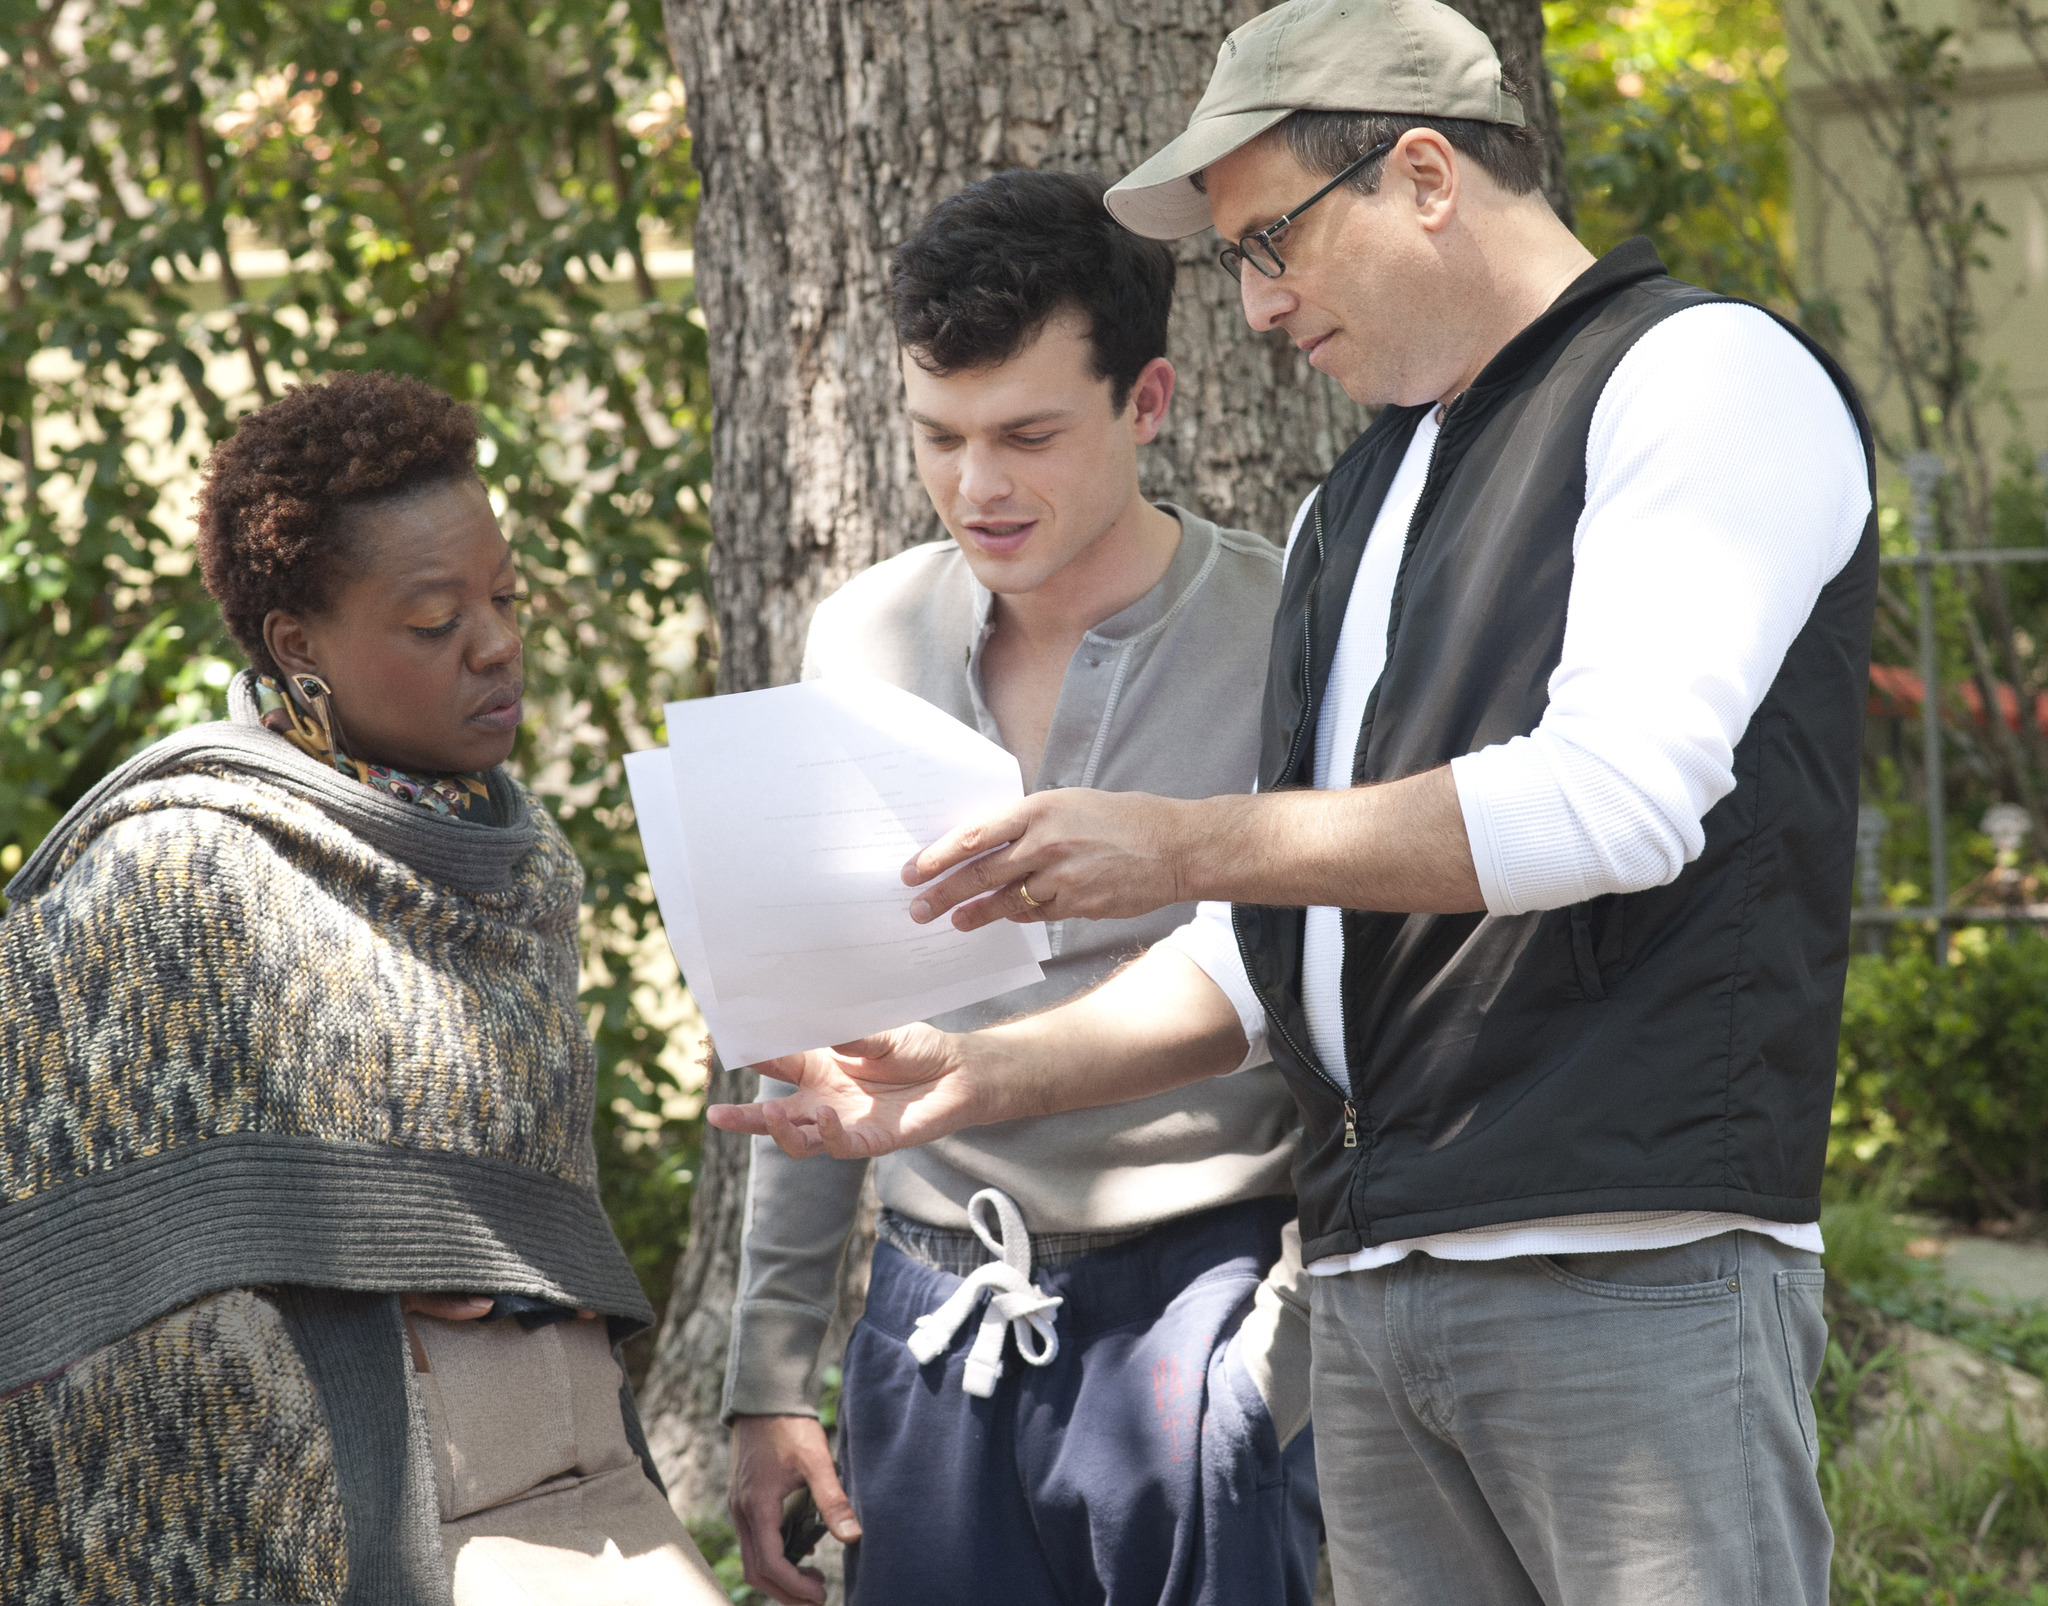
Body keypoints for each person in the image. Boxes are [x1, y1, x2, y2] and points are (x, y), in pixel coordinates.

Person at [711, 1, 1880, 1601]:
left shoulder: (1699, 372)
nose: (1260, 306)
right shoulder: (1361, 496)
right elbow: (1274, 955)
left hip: (1628, 1268)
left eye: (1271, 242)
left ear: (1422, 175)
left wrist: (1181, 838)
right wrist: (963, 1079)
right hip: (1375, 1278)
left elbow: (1615, 801)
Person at [0, 372, 724, 1606]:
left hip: (590, 1466)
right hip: (369, 1497)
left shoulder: (517, 858)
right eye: (436, 620)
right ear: (299, 646)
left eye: (502, 597)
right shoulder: (179, 865)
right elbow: (66, 1221)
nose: (496, 642)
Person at [723, 169, 1322, 1606]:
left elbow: (1366, 1007)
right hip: (930, 1320)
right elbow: (811, 1027)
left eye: (1028, 435)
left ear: (1152, 403)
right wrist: (768, 1372)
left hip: (1208, 1308)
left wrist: (1278, 1347)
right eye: (940, 437)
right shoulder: (859, 635)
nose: (977, 486)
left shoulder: (1289, 634)